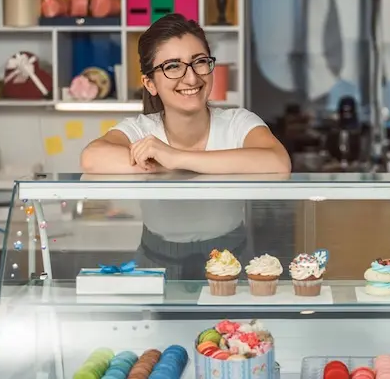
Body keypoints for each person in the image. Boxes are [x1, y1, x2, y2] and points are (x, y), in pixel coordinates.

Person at [79, 14, 291, 278]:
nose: (191, 79)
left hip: (232, 263)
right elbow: (92, 157)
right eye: (172, 66)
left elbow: (277, 161)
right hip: (156, 264)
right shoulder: (141, 129)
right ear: (150, 83)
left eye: (199, 62)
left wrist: (175, 158)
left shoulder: (238, 122)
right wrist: (177, 162)